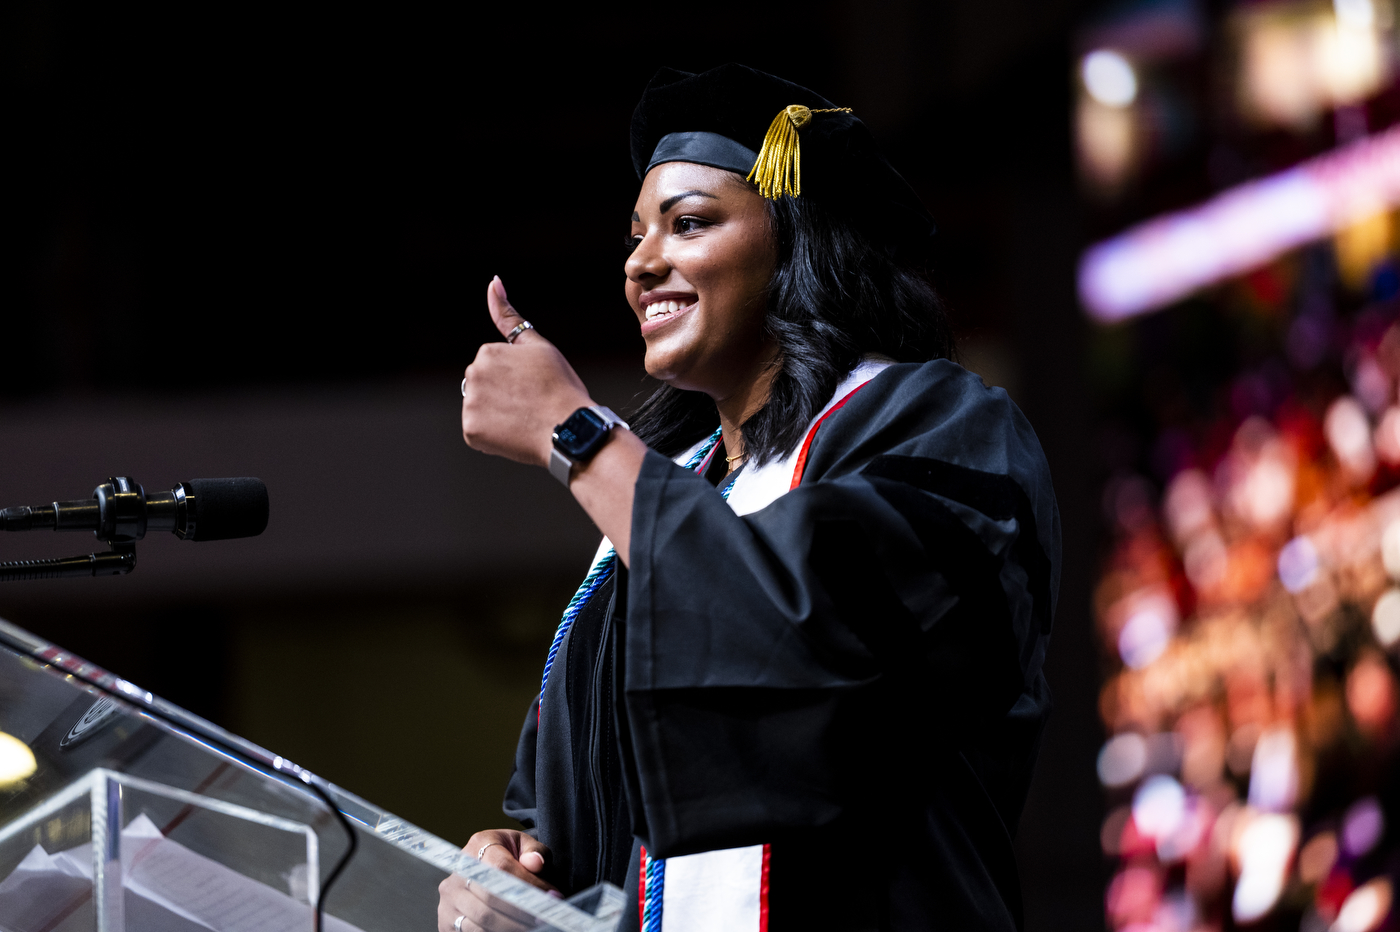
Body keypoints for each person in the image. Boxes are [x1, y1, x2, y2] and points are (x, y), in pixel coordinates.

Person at [439, 64, 1060, 932]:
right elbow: (571, 805)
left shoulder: (941, 425)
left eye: (687, 224)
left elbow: (810, 643)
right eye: (635, 237)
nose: (640, 263)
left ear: (797, 243)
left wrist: (576, 435)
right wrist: (508, 867)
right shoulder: (661, 496)